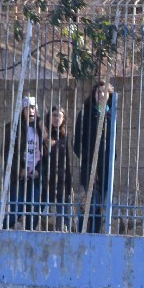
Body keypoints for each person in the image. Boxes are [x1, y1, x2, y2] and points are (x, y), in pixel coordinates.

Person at [73, 80, 114, 234]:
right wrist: (90, 164)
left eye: (105, 92)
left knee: (99, 206)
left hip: (106, 168)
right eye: (98, 92)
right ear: (94, 94)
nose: (101, 95)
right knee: (92, 203)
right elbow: (77, 144)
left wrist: (112, 157)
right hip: (90, 167)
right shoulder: (85, 114)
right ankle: (81, 233)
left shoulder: (111, 114)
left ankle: (94, 236)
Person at [4, 96, 45, 230]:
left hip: (36, 173)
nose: (31, 111)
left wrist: (39, 170)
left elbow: (46, 152)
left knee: (35, 207)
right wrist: (19, 169)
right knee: (17, 208)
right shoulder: (14, 128)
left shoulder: (41, 129)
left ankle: (29, 233)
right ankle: (1, 229)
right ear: (22, 111)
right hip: (19, 174)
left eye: (33, 108)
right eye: (27, 109)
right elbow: (8, 152)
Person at [44, 105, 74, 231]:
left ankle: (63, 233)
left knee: (63, 215)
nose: (57, 118)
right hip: (45, 178)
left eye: (60, 116)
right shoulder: (43, 132)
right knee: (39, 212)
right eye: (54, 115)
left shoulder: (64, 136)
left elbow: (67, 161)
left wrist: (69, 183)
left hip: (61, 180)